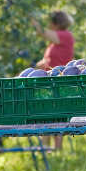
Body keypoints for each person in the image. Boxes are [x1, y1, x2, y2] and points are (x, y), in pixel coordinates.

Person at [31, 11, 75, 150]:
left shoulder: (65, 36)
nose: (48, 25)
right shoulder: (54, 43)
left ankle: (56, 150)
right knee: (47, 115)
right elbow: (49, 60)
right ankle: (47, 149)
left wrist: (32, 21)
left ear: (56, 23)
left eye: (50, 22)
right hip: (49, 81)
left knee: (55, 116)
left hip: (58, 81)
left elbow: (43, 33)